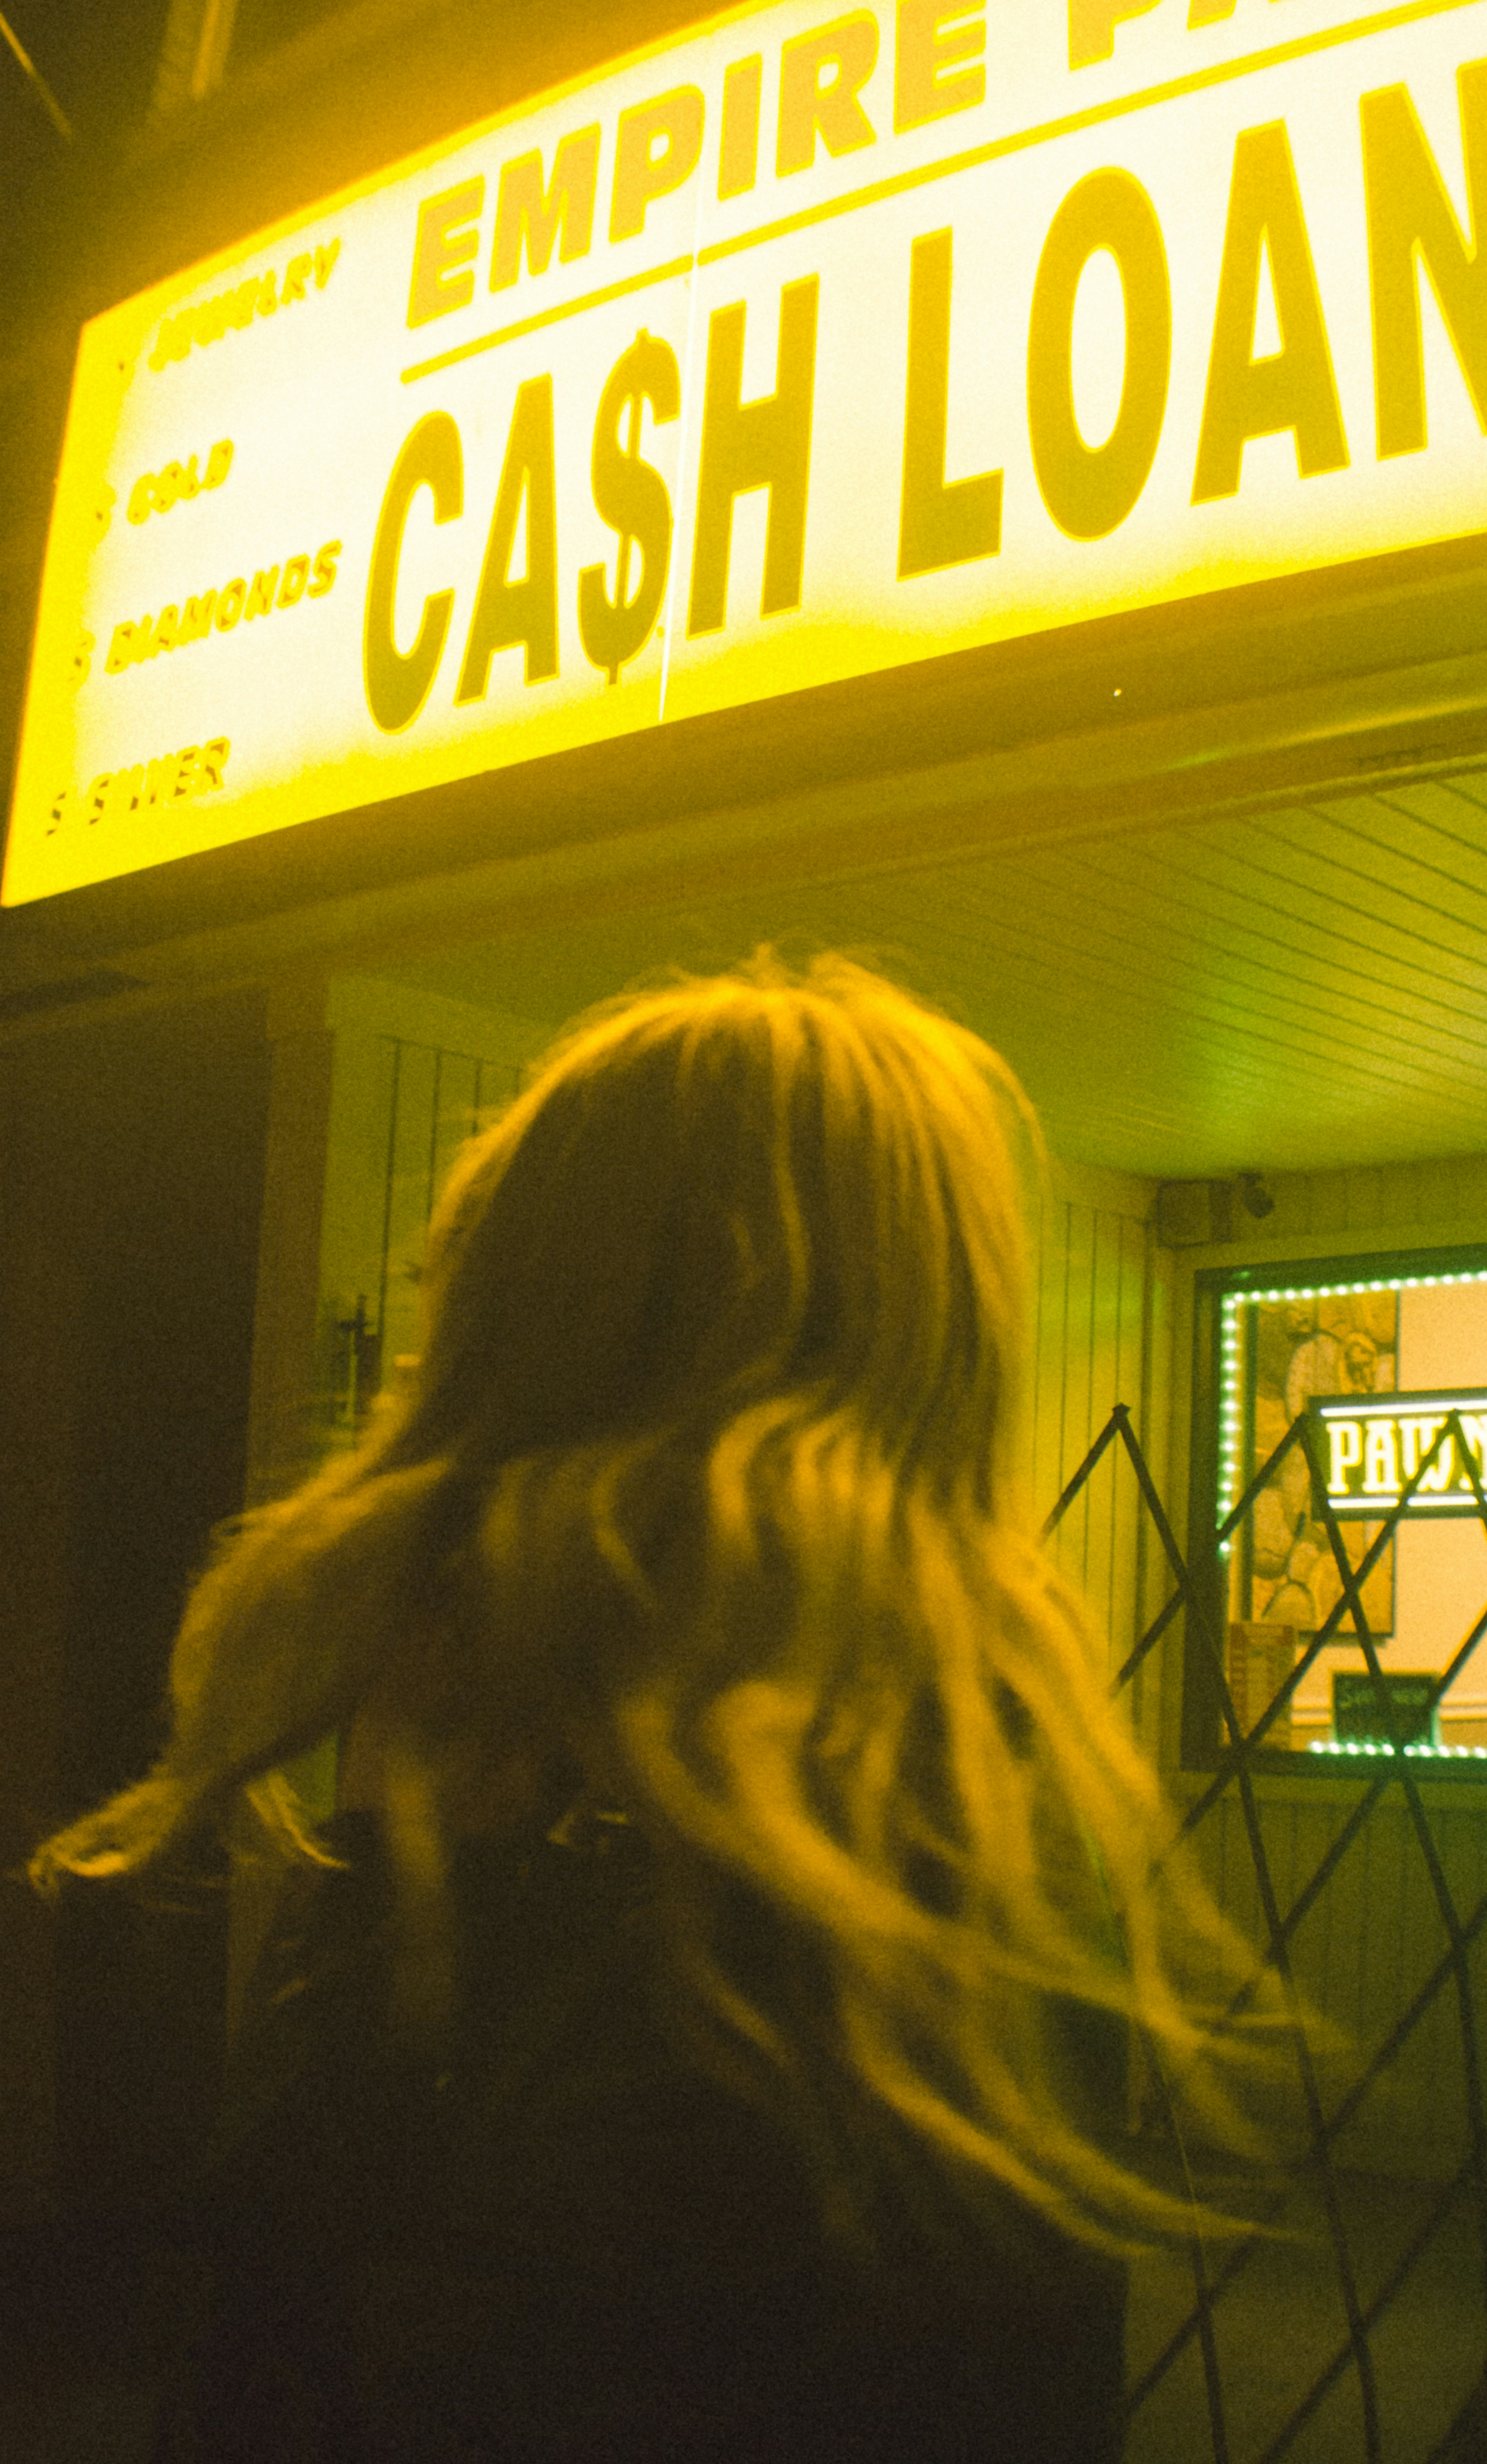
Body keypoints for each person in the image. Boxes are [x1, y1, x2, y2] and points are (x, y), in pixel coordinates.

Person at [33, 952, 1267, 2462]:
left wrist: (424, 1871)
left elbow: (332, 2355)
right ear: (933, 1343)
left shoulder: (555, 1797)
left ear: (531, 1328)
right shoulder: (976, 1803)